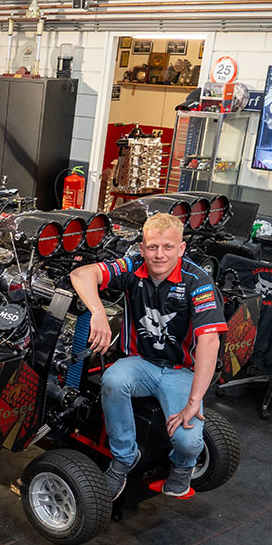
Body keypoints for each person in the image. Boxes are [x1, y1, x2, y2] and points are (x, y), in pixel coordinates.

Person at [70, 212, 227, 500]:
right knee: (113, 380)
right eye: (152, 247)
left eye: (168, 247)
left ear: (181, 249)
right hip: (140, 363)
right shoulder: (133, 266)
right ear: (142, 248)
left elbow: (209, 342)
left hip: (180, 371)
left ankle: (183, 465)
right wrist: (98, 312)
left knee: (190, 442)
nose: (159, 255)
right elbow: (81, 273)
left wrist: (194, 402)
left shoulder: (198, 281)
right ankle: (123, 457)